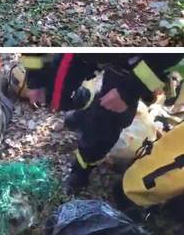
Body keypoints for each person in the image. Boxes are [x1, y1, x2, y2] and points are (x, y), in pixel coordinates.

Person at [21, 53, 184, 193]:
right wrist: (35, 79)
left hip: (132, 64)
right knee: (60, 95)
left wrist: (128, 91)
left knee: (106, 122)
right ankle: (86, 110)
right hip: (82, 52)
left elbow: (169, 56)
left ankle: (82, 170)